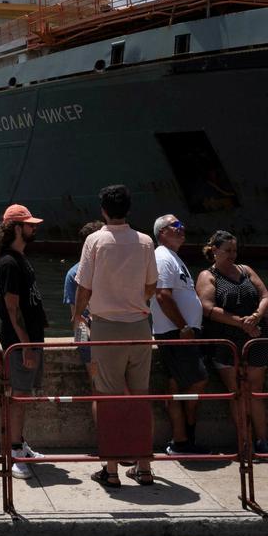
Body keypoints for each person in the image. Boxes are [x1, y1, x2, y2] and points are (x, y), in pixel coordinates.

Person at [72, 185, 158, 488]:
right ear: (129, 209)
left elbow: (84, 287)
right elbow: (151, 286)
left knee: (107, 398)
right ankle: (144, 467)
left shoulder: (94, 240)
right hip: (140, 326)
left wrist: (76, 317)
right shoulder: (146, 241)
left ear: (103, 210)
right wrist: (133, 300)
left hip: (106, 326)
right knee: (141, 395)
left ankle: (111, 469)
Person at [196, 230, 268, 455]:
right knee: (237, 391)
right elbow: (208, 308)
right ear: (215, 251)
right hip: (227, 341)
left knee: (255, 390)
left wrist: (257, 316)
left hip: (255, 336)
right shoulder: (207, 276)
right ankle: (245, 442)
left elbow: (266, 296)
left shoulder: (246, 270)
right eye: (228, 250)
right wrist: (241, 322)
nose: (233, 254)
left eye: (235, 250)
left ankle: (263, 440)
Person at [0, 204, 48, 479]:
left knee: (23, 397)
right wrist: (25, 345)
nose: (34, 228)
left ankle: (20, 445)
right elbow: (12, 310)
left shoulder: (19, 258)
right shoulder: (10, 263)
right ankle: (14, 452)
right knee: (18, 397)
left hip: (31, 339)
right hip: (19, 342)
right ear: (16, 228)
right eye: (29, 225)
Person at [148, 215, 208, 457]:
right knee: (198, 380)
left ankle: (183, 440)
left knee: (178, 383)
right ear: (162, 232)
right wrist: (184, 326)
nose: (182, 229)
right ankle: (183, 440)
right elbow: (162, 295)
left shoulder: (174, 257)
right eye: (176, 226)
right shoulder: (162, 257)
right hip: (175, 332)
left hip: (181, 331)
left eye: (182, 225)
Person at [63, 222, 104, 389]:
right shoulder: (75, 274)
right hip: (96, 341)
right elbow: (77, 320)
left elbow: (75, 319)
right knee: (101, 385)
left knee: (99, 386)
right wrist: (86, 347)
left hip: (100, 339)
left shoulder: (73, 273)